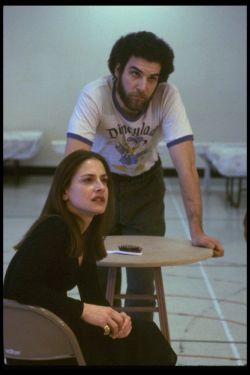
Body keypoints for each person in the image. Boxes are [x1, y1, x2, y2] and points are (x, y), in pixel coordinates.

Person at [65, 31, 224, 321]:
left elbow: (185, 165)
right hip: (103, 183)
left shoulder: (167, 95)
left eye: (153, 78)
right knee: (96, 271)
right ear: (117, 70)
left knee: (143, 275)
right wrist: (65, 226)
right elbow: (73, 162)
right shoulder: (95, 94)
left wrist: (196, 229)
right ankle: (101, 345)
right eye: (135, 74)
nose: (143, 86)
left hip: (146, 186)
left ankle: (140, 344)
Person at [3, 150, 177, 366]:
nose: (100, 187)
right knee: (146, 340)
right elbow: (17, 287)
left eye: (104, 180)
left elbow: (93, 296)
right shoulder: (54, 228)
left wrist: (117, 319)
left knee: (140, 333)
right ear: (65, 191)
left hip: (56, 328)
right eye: (88, 180)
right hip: (37, 337)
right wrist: (83, 310)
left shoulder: (85, 236)